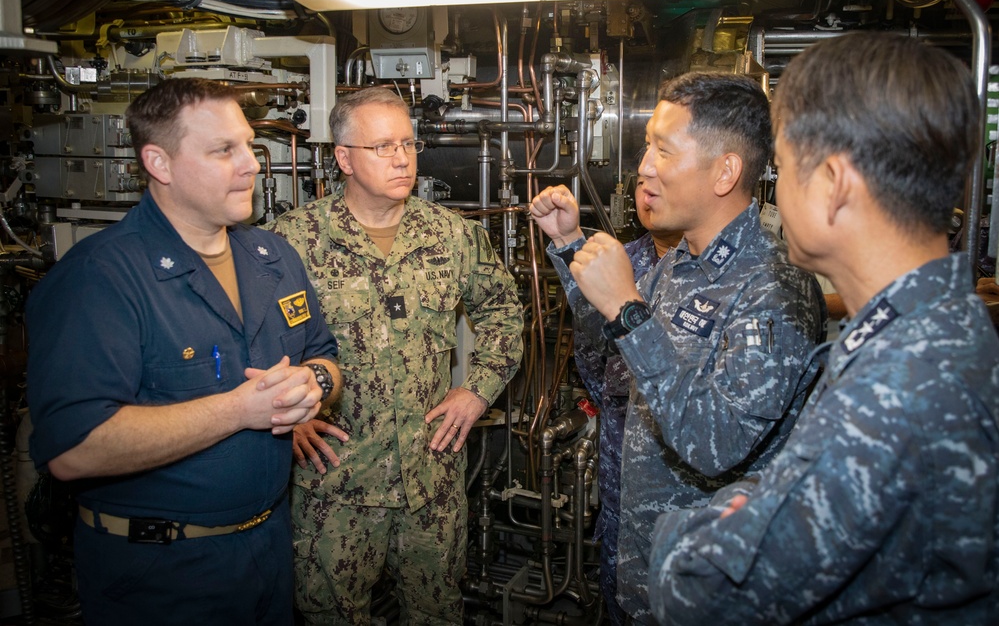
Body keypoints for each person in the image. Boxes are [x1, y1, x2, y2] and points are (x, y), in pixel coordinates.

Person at [647, 33, 999, 624]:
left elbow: (704, 590)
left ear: (833, 184)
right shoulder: (936, 330)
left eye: (782, 168)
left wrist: (690, 527)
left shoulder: (894, 392)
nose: (775, 190)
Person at [26, 77, 342, 626]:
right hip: (160, 572)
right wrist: (239, 410)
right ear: (160, 163)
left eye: (248, 145)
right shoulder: (101, 278)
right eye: (224, 150)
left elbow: (325, 357)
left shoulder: (272, 255)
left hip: (268, 551)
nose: (251, 164)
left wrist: (313, 384)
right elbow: (73, 450)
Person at [530, 72, 825, 623]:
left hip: (711, 593)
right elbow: (614, 359)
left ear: (725, 172)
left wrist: (628, 309)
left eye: (663, 150)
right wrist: (572, 248)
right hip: (640, 567)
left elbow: (719, 443)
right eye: (647, 147)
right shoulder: (678, 266)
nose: (643, 167)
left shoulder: (773, 287)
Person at [267, 86, 524, 625]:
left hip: (429, 483)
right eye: (383, 146)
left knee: (437, 613)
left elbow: (504, 313)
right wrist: (283, 422)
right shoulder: (293, 242)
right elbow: (254, 342)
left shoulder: (452, 236)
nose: (402, 158)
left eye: (407, 143)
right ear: (343, 159)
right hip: (335, 489)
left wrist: (475, 392)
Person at [572, 180, 681, 626]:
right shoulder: (625, 258)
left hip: (679, 497)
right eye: (639, 182)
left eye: (663, 174)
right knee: (617, 597)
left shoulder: (700, 271)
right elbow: (590, 349)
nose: (648, 189)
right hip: (620, 479)